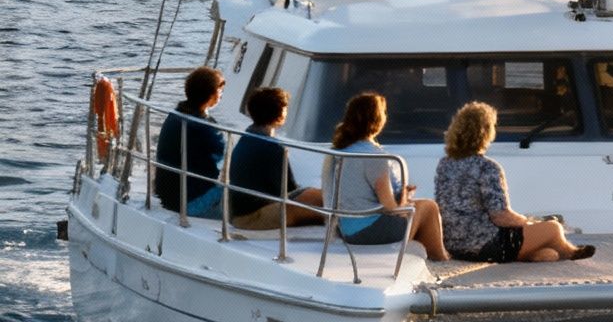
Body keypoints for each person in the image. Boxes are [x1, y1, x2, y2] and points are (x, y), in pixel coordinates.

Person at [435, 102, 592, 263]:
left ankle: (546, 253)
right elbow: (501, 216)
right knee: (553, 228)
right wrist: (529, 223)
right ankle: (571, 253)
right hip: (488, 246)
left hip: (455, 247)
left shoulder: (445, 164)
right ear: (486, 132)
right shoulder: (487, 167)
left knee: (549, 254)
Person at [324, 92, 447, 260]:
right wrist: (404, 198)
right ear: (377, 121)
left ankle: (435, 257)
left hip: (344, 228)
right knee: (428, 207)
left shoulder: (338, 151)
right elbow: (391, 207)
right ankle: (441, 258)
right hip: (366, 232)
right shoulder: (376, 157)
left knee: (417, 209)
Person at [225, 87, 325, 231]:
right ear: (278, 114)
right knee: (322, 198)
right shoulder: (273, 148)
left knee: (314, 194)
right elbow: (288, 190)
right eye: (285, 108)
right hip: (254, 217)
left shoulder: (246, 138)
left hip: (238, 214)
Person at [154, 67, 228, 219]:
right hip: (190, 201)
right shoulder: (206, 128)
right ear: (212, 94)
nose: (221, 95)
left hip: (167, 196)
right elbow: (222, 162)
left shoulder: (175, 115)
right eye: (220, 91)